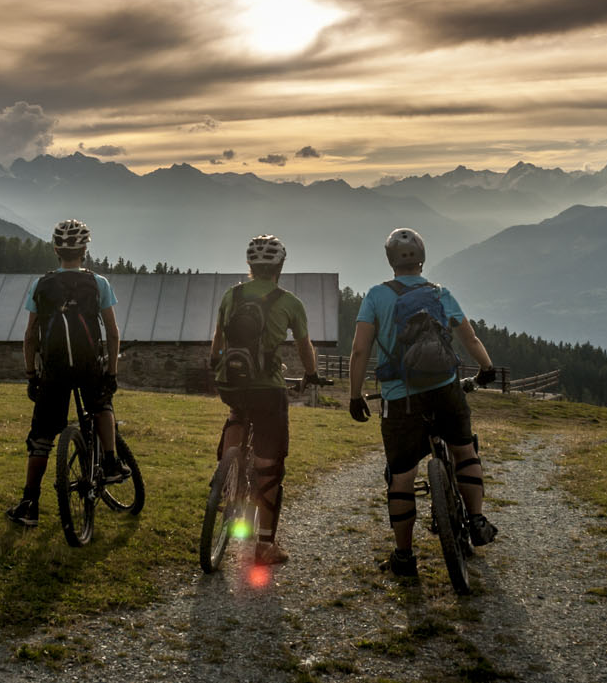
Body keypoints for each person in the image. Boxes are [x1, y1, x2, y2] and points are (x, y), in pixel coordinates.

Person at [348, 227, 500, 578]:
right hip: (445, 388)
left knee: (401, 475)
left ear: (390, 262)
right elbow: (469, 336)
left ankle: (404, 558)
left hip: (400, 399)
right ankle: (476, 521)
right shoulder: (439, 293)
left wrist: (355, 396)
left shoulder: (375, 296)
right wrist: (487, 367)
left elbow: (359, 350)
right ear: (422, 259)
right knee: (464, 450)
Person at [209, 234, 326, 566]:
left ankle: (226, 470)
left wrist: (215, 364)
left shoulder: (231, 296)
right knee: (269, 466)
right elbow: (305, 347)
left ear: (250, 266)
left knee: (236, 411)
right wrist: (312, 373)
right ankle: (264, 545)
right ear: (280, 266)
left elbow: (217, 343)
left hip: (231, 383)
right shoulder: (290, 303)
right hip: (268, 388)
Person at [6, 219, 125, 527]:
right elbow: (112, 333)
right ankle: (111, 463)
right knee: (101, 406)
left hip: (54, 372)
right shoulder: (98, 283)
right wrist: (111, 371)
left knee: (42, 437)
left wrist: (31, 374)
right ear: (85, 250)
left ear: (56, 250)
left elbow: (31, 335)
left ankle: (29, 504)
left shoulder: (41, 284)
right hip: (88, 367)